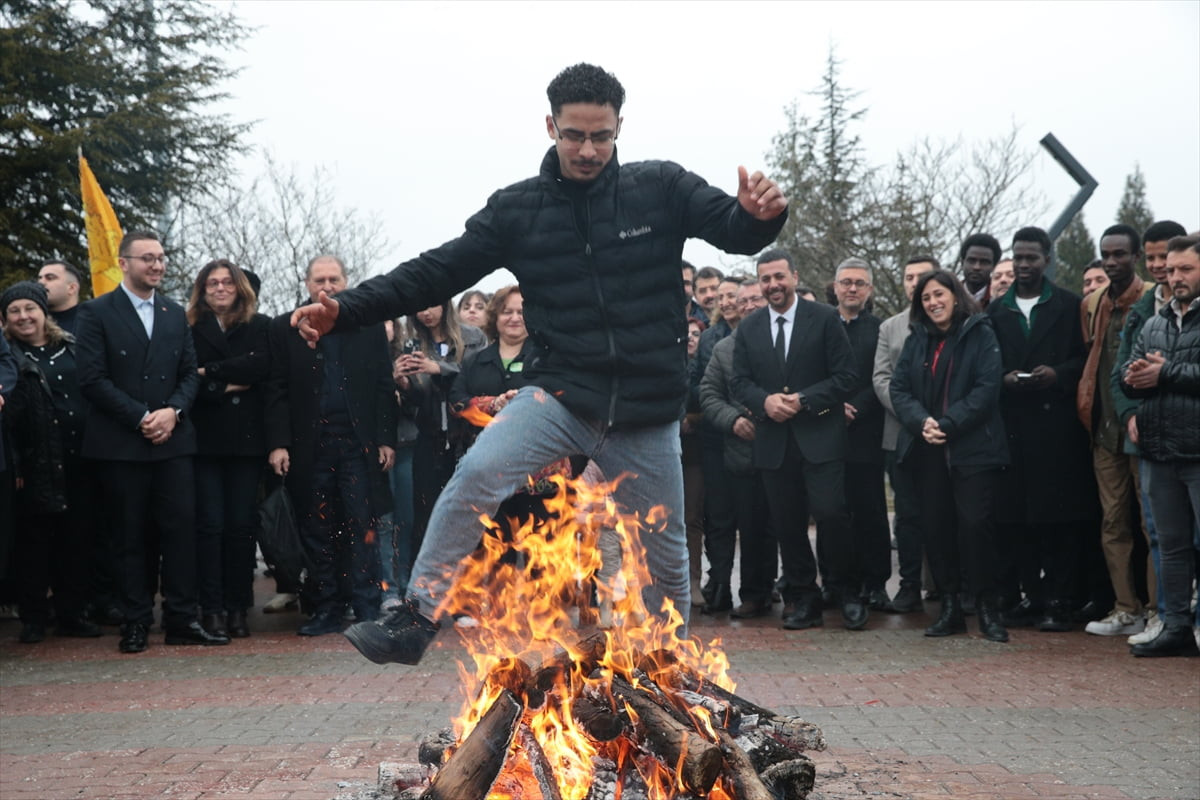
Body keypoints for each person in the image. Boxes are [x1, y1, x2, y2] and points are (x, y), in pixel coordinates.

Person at [292, 63, 787, 665]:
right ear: (551, 126)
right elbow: (434, 271)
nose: (588, 150)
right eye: (574, 135)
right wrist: (346, 309)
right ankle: (416, 617)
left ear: (619, 128)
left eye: (601, 136)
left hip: (646, 409)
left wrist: (758, 217)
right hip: (561, 395)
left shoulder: (660, 186)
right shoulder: (519, 210)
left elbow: (733, 229)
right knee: (476, 475)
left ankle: (668, 663)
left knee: (666, 550)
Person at [75, 230, 227, 653]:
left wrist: (173, 412)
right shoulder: (95, 312)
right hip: (121, 443)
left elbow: (189, 373)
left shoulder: (175, 313)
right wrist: (141, 417)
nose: (157, 265)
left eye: (160, 258)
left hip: (172, 441)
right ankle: (136, 621)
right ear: (124, 263)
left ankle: (181, 619)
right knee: (129, 536)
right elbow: (92, 379)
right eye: (147, 258)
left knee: (181, 532)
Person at [265, 255, 397, 635]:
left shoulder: (367, 324)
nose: (327, 286)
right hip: (310, 448)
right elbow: (276, 389)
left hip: (358, 445)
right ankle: (326, 607)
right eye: (319, 279)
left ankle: (367, 606)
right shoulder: (285, 327)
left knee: (362, 525)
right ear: (307, 284)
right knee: (317, 529)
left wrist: (386, 439)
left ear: (346, 281)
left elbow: (383, 385)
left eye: (334, 279)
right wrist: (278, 444)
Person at [731, 249, 862, 631]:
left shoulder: (824, 318)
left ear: (794, 276)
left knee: (831, 514)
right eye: (766, 279)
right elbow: (739, 382)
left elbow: (846, 376)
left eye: (779, 277)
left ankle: (846, 591)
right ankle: (804, 598)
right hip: (774, 443)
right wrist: (764, 401)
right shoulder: (749, 328)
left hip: (821, 438)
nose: (773, 285)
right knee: (788, 525)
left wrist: (804, 399)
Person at [890, 269, 1009, 642]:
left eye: (939, 294)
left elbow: (986, 389)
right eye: (926, 298)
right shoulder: (917, 338)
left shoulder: (980, 332)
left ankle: (988, 609)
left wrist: (948, 423)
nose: (933, 302)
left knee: (975, 527)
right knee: (937, 530)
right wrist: (922, 422)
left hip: (974, 450)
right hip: (927, 450)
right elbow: (899, 388)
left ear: (956, 296)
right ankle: (950, 608)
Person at [988, 227, 1095, 632]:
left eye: (1031, 257)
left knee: (1058, 520)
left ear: (1047, 259)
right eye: (1018, 257)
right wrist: (1005, 378)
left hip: (1058, 428)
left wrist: (1058, 374)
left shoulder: (1069, 306)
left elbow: (1085, 359)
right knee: (1018, 519)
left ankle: (1060, 600)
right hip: (1013, 426)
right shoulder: (996, 312)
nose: (1023, 265)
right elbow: (986, 365)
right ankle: (1031, 596)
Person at [1, 281, 101, 643]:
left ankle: (72, 613)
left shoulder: (72, 347)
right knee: (34, 545)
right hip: (34, 464)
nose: (23, 316)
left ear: (44, 312)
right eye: (14, 311)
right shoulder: (8, 358)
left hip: (80, 459)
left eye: (30, 308)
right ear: (5, 319)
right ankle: (34, 619)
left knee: (77, 539)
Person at [1120, 233, 1200, 657]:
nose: (1175, 277)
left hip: (1197, 452)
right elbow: (1126, 376)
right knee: (1170, 546)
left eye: (1186, 268)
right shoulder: (1154, 323)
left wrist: (1165, 373)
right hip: (1159, 451)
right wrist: (1133, 377)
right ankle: (1176, 626)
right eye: (1171, 270)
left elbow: (1167, 374)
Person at [187, 259, 272, 638]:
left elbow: (260, 367)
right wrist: (227, 383)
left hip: (246, 443)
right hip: (204, 442)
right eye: (213, 283)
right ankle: (212, 608)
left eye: (227, 282)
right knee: (209, 526)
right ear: (202, 290)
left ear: (240, 288)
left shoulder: (260, 325)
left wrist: (211, 372)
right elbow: (185, 379)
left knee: (241, 526)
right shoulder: (188, 328)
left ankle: (238, 607)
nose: (220, 288)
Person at [1077, 224, 1155, 637]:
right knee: (1113, 523)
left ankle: (1159, 609)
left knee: (1152, 523)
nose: (1111, 262)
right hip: (1104, 430)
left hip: (1141, 430)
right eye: (1105, 254)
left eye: (1119, 254)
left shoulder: (1151, 300)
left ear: (1135, 256)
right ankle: (1126, 608)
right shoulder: (1093, 303)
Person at [700, 278, 775, 617]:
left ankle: (790, 590)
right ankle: (752, 595)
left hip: (784, 447)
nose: (748, 306)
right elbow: (708, 395)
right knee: (750, 523)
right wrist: (733, 420)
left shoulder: (786, 341)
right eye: (743, 301)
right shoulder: (724, 349)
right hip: (741, 452)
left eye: (754, 299)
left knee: (781, 525)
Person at [396, 299, 487, 566]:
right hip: (430, 438)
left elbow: (478, 378)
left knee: (469, 515)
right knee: (425, 517)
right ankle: (425, 583)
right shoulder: (413, 343)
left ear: (445, 304)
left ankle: (470, 582)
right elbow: (417, 401)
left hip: (466, 439)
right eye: (419, 307)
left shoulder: (472, 337)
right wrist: (403, 384)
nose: (425, 312)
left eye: (431, 304)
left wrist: (439, 369)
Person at [872, 256, 938, 614]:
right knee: (908, 514)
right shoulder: (890, 327)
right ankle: (909, 584)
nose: (915, 282)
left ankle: (947, 585)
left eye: (922, 276)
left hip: (946, 431)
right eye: (909, 277)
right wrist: (914, 416)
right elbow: (881, 378)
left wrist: (939, 418)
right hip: (900, 433)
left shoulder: (957, 323)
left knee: (944, 512)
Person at [694, 276, 746, 614]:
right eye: (721, 296)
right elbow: (703, 385)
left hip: (751, 438)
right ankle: (721, 582)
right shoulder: (709, 339)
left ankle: (758, 585)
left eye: (732, 296)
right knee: (718, 517)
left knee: (754, 517)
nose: (725, 301)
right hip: (715, 439)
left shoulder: (755, 333)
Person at [37, 260, 83, 334]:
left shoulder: (90, 322)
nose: (41, 282)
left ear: (72, 288)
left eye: (50, 278)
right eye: (40, 278)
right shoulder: (32, 321)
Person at [958, 234, 1002, 307]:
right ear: (962, 263)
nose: (977, 267)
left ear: (994, 266)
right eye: (971, 261)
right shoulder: (949, 294)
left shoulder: (1001, 299)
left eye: (984, 262)